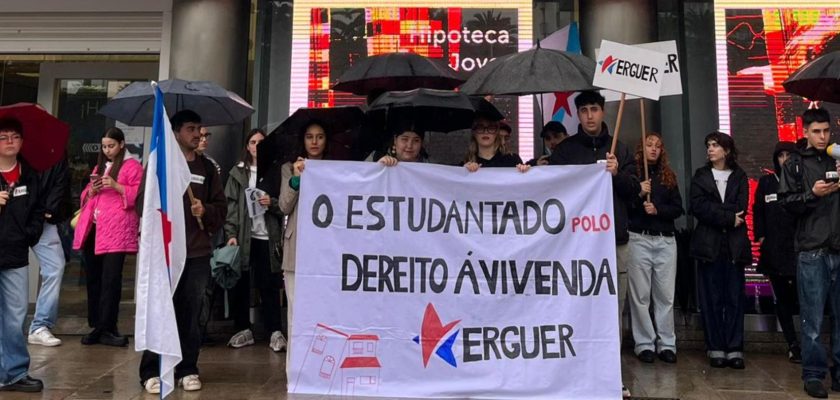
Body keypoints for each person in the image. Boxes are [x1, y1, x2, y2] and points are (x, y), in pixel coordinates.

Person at [549, 90, 640, 398]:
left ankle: (611, 376)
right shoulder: (565, 151)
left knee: (612, 314)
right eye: (584, 110)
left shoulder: (622, 150)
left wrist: (616, 175)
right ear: (577, 114)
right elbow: (549, 190)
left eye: (594, 109)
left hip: (614, 243)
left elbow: (634, 194)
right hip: (573, 247)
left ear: (603, 112)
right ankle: (572, 373)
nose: (589, 115)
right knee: (572, 310)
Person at [139, 110, 227, 394]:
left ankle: (188, 368)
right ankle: (151, 370)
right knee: (161, 310)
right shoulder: (159, 165)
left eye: (199, 128)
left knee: (192, 313)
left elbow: (222, 208)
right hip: (164, 253)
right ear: (175, 132)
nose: (197, 134)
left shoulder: (207, 168)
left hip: (197, 252)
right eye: (191, 128)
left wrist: (206, 210)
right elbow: (143, 200)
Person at [778, 108, 840, 399]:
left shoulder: (837, 158)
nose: (822, 136)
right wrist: (812, 194)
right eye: (816, 131)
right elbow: (786, 204)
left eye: (826, 130)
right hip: (811, 250)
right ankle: (814, 374)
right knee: (812, 319)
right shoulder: (794, 165)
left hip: (838, 247)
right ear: (804, 132)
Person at [72, 127, 142, 347]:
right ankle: (96, 325)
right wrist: (91, 190)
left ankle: (109, 326)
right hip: (95, 227)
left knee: (111, 279)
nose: (107, 150)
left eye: (111, 145)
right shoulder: (99, 166)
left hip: (116, 229)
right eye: (104, 146)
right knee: (93, 278)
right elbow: (85, 196)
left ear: (121, 145)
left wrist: (117, 186)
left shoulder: (132, 166)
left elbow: (138, 195)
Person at [689, 131, 750, 370]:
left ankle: (735, 348)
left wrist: (720, 213)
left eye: (715, 145)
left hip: (734, 247)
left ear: (726, 149)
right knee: (711, 299)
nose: (710, 149)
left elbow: (741, 208)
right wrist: (726, 217)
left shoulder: (739, 175)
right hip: (708, 246)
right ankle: (715, 347)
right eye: (708, 145)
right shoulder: (701, 176)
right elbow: (698, 207)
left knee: (734, 298)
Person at [224, 128, 287, 352]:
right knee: (241, 285)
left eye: (261, 142)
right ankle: (242, 329)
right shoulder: (237, 174)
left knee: (269, 285)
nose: (257, 146)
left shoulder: (276, 171)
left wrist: (272, 203)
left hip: (267, 237)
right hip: (244, 237)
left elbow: (286, 205)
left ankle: (274, 331)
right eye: (253, 142)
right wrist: (230, 235)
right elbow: (230, 208)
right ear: (247, 146)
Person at [627, 132, 684, 364]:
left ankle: (667, 343)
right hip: (639, 238)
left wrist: (657, 209)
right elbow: (626, 207)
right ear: (642, 148)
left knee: (665, 296)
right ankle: (644, 343)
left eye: (658, 146)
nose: (654, 149)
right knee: (640, 295)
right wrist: (639, 192)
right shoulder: (633, 175)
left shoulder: (668, 176)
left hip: (665, 240)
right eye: (649, 145)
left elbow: (678, 208)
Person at [0, 117, 45, 393]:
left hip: (15, 254)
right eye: (3, 137)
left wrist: (30, 234)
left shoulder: (29, 175)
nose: (9, 142)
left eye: (15, 137)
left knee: (15, 315)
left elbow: (37, 210)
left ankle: (14, 372)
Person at [280, 120, 329, 374]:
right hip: (296, 251)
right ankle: (296, 371)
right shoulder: (290, 168)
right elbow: (284, 206)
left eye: (319, 136)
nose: (314, 141)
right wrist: (297, 180)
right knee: (296, 314)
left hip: (326, 253)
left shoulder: (335, 170)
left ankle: (320, 370)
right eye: (309, 136)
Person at [753, 141, 801, 364]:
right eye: (781, 156)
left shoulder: (802, 181)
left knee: (802, 298)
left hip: (798, 249)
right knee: (781, 298)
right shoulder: (766, 182)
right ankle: (792, 343)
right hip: (774, 250)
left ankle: (805, 341)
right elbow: (758, 210)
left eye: (789, 155)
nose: (785, 159)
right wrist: (761, 237)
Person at [27, 157, 70, 347]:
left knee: (55, 266)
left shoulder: (55, 149)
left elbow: (60, 182)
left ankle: (40, 325)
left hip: (42, 219)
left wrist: (49, 210)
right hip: (10, 217)